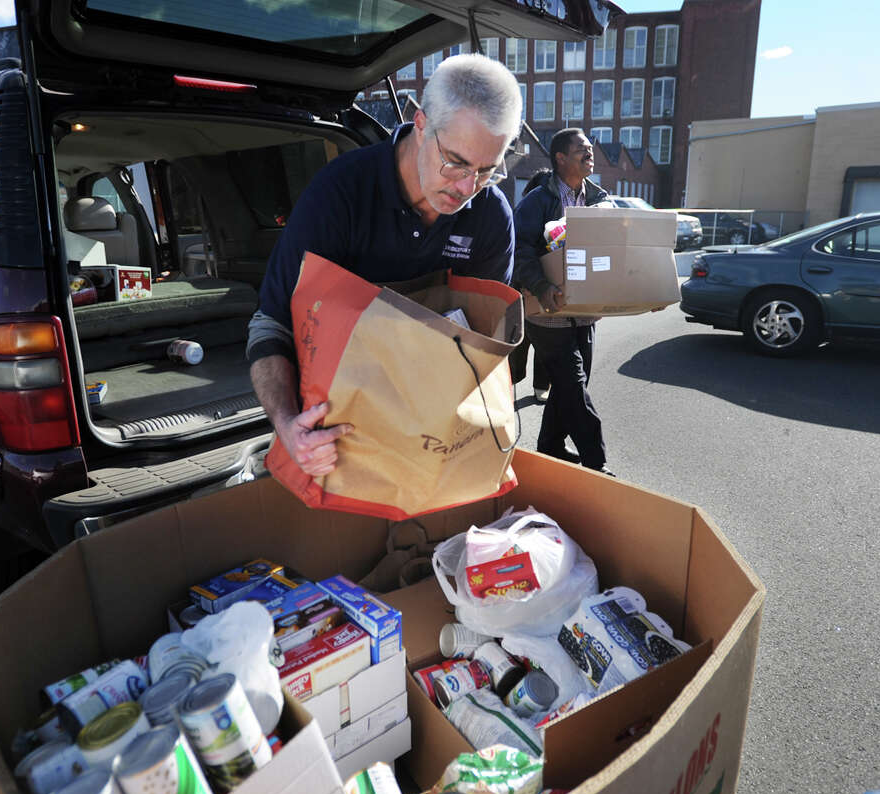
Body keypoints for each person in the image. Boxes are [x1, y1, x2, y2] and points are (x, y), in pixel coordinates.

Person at [247, 54, 523, 477]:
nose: (468, 188)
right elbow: (272, 323)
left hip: (431, 429)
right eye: (456, 162)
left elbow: (479, 342)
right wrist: (287, 426)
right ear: (420, 124)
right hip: (336, 435)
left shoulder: (490, 216)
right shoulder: (340, 193)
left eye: (487, 171)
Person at [512, 128, 614, 476]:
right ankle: (595, 462)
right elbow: (520, 251)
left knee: (572, 384)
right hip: (548, 313)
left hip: (585, 314)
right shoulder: (537, 202)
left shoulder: (599, 199)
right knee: (572, 385)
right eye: (582, 151)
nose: (590, 155)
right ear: (560, 158)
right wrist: (540, 286)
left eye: (590, 151)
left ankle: (550, 446)